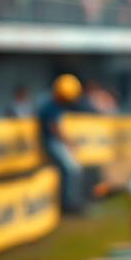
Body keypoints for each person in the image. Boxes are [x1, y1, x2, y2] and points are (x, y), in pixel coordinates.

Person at [37, 74, 85, 214]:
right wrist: (69, 143)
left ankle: (71, 202)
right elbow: (54, 129)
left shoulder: (54, 105)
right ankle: (69, 204)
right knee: (72, 170)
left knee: (72, 170)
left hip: (55, 142)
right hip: (52, 143)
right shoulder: (50, 106)